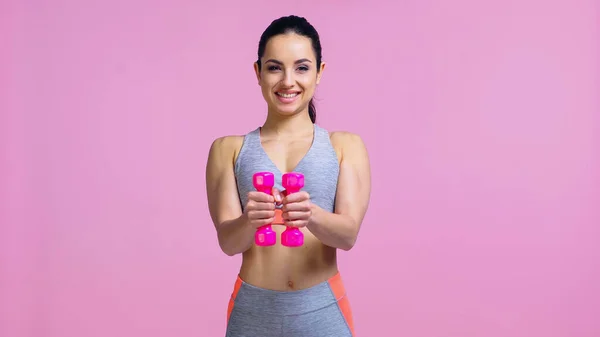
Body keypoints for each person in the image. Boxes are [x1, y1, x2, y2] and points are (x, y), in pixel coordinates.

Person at [205, 15, 371, 337]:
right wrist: (248, 221)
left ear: (320, 73)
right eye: (274, 67)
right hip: (253, 311)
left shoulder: (345, 146)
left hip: (322, 309)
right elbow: (228, 242)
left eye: (302, 67)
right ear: (258, 72)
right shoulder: (228, 150)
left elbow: (347, 236)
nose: (288, 81)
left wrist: (312, 215)